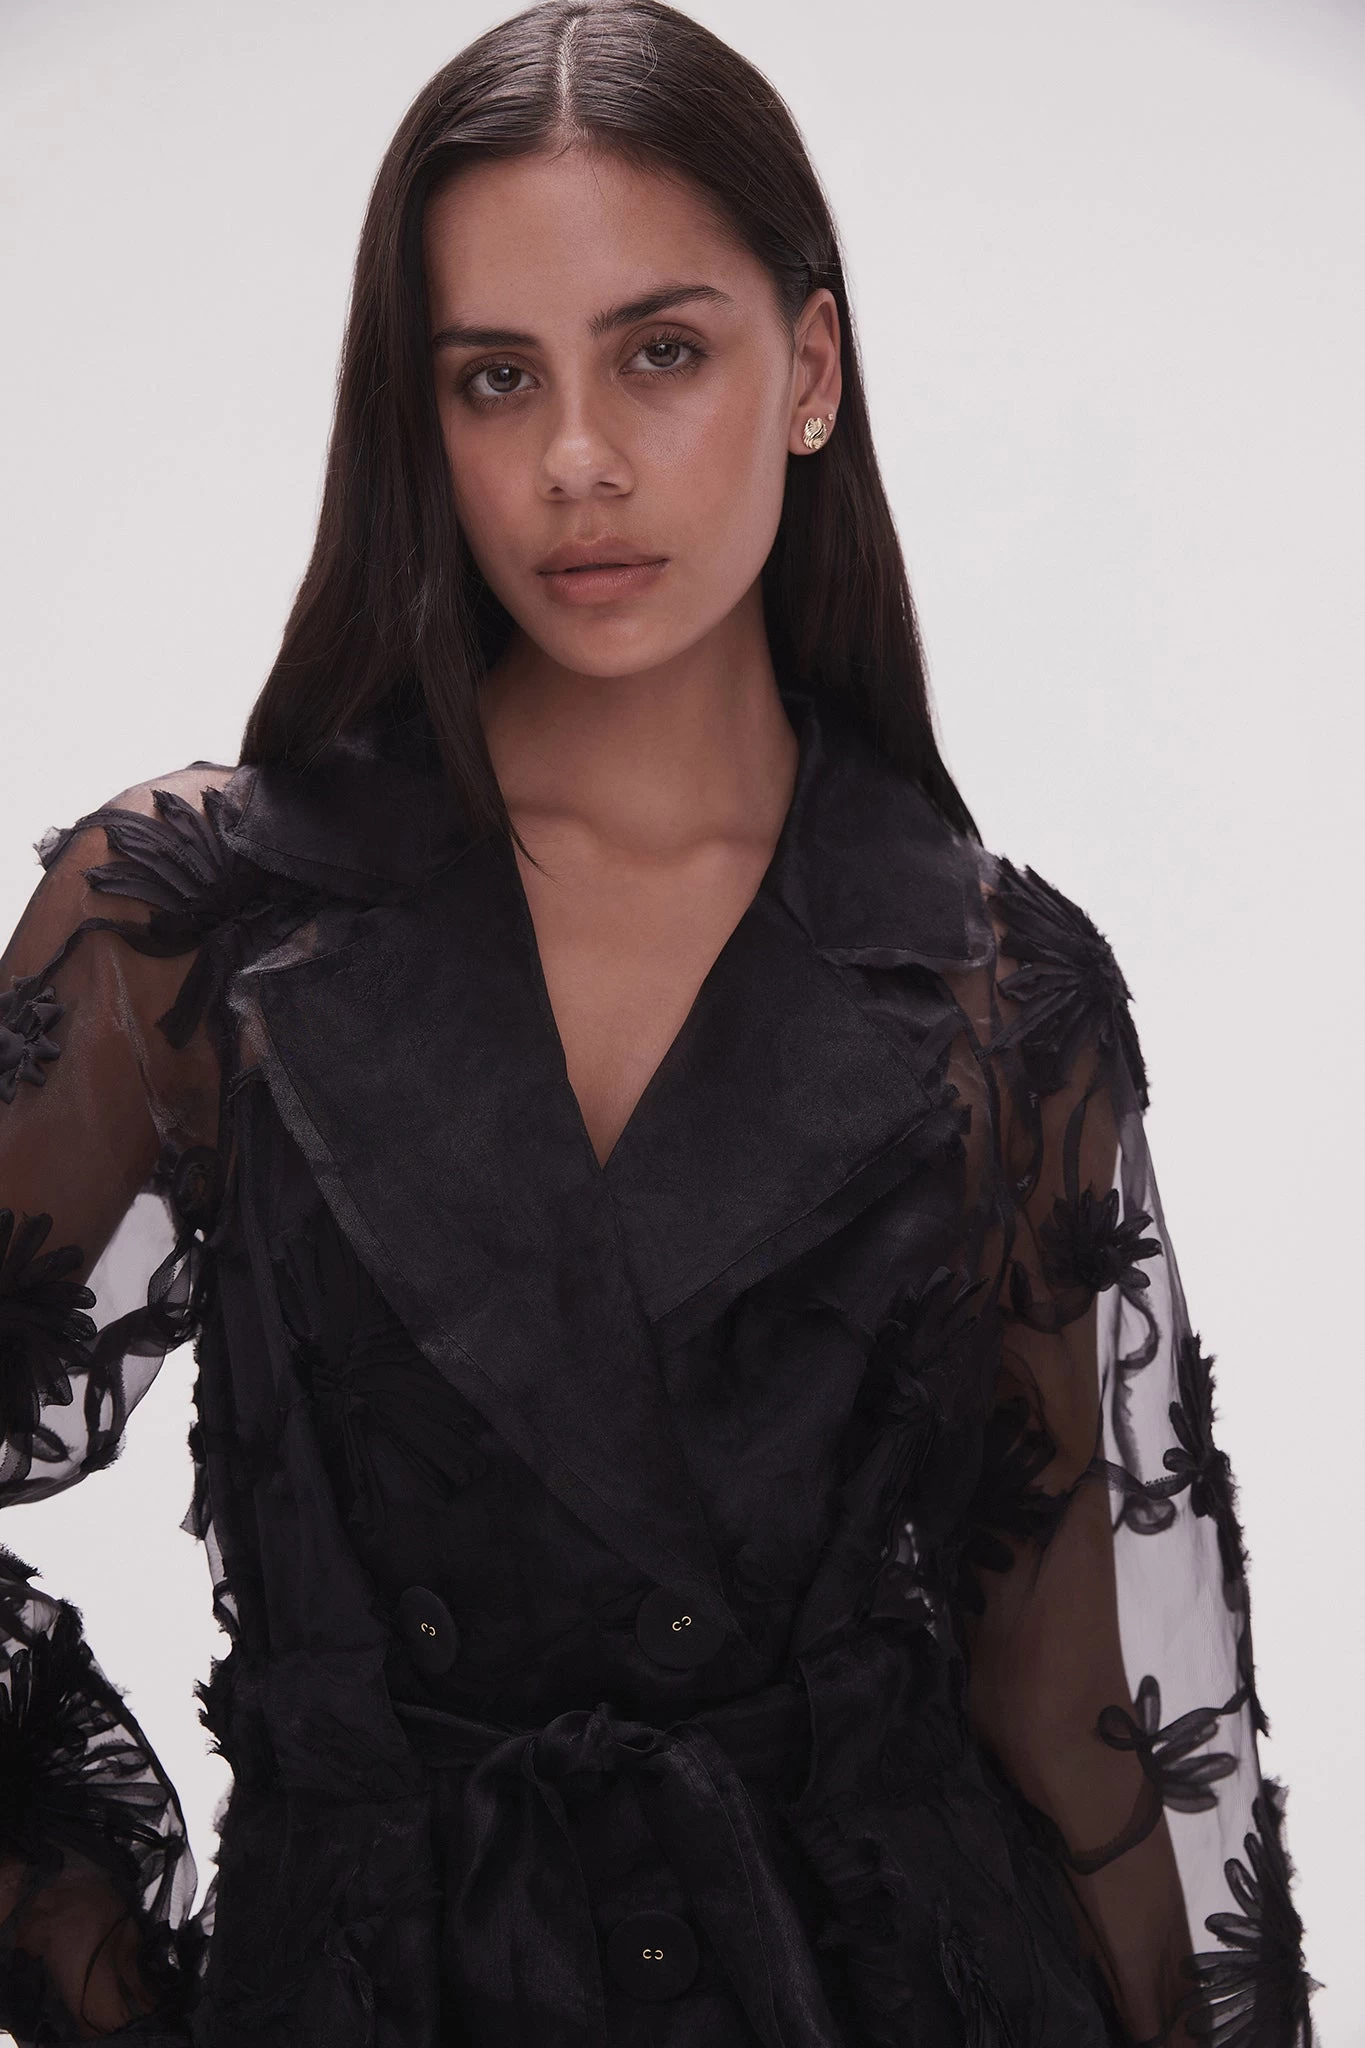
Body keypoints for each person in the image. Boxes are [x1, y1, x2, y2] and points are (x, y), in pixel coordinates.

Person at [0, 2, 1316, 2043]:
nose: (577, 461)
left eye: (661, 352)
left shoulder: (1000, 995)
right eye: (495, 377)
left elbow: (1099, 1718)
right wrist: (114, 1958)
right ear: (420, 421)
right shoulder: (189, 931)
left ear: (811, 370)